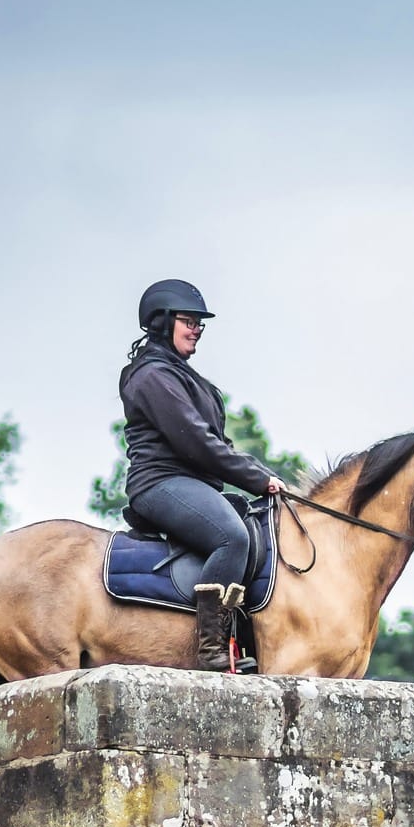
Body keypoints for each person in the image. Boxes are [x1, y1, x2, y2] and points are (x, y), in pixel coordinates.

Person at [120, 278, 285, 671]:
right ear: (161, 322)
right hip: (159, 482)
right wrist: (257, 480)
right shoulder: (151, 376)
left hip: (190, 483)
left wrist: (264, 475)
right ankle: (211, 650)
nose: (196, 329)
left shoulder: (186, 377)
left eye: (199, 323)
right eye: (188, 321)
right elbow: (195, 441)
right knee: (231, 536)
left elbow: (219, 443)